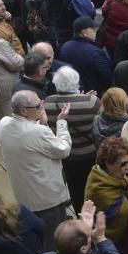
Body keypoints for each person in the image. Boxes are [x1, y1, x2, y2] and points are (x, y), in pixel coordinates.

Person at [0, 89, 72, 252]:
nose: (42, 106)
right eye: (39, 105)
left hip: (25, 195)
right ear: (24, 111)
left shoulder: (4, 123)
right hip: (47, 198)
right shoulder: (38, 132)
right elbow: (63, 149)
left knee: (36, 237)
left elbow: (31, 141)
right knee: (53, 239)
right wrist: (61, 122)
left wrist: (42, 121)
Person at [43, 65, 101, 212]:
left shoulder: (48, 102)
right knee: (94, 186)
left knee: (75, 188)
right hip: (90, 154)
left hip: (68, 155)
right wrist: (84, 97)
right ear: (76, 82)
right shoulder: (92, 101)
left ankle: (80, 214)